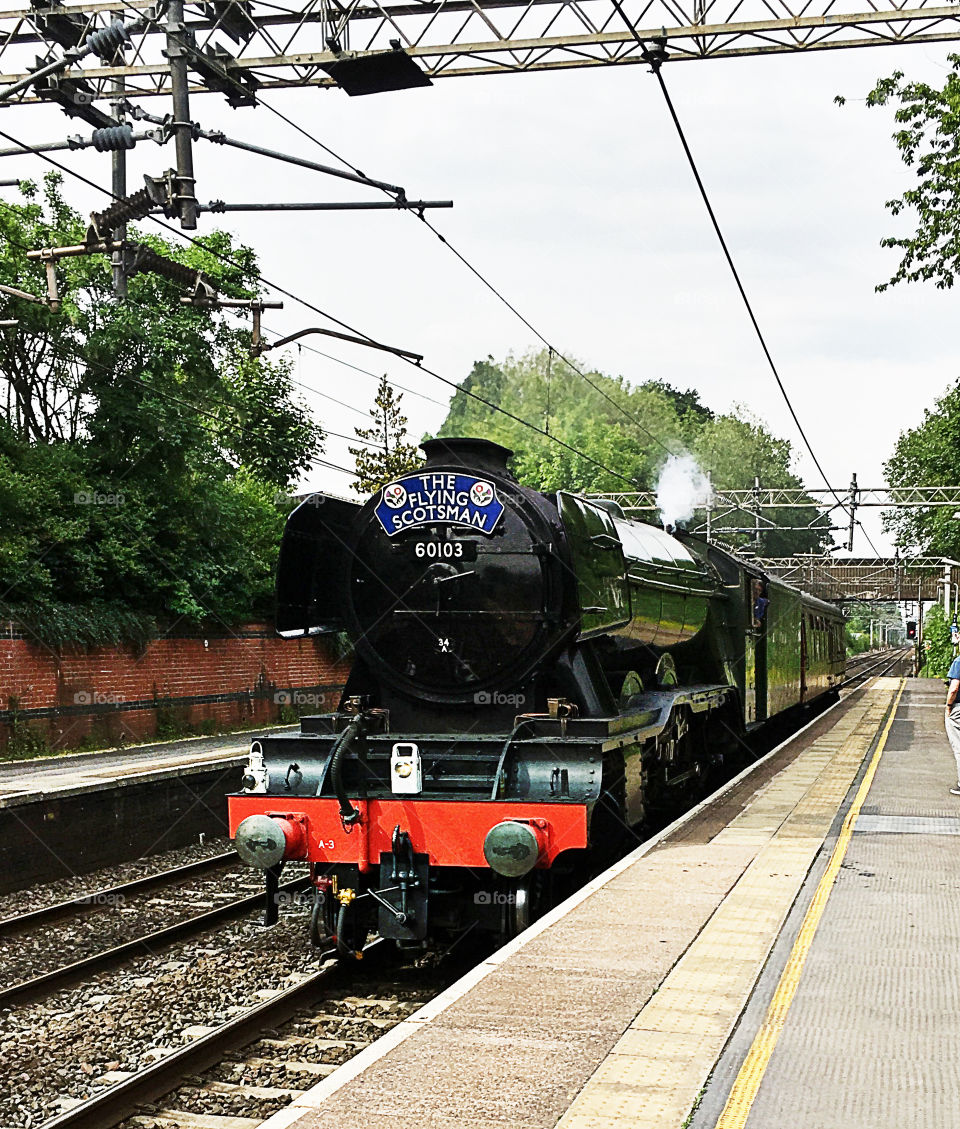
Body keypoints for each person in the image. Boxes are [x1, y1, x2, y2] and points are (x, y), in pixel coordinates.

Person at [947, 653, 960, 795]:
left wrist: (948, 706)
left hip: (958, 709)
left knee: (959, 746)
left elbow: (954, 688)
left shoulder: (959, 662)